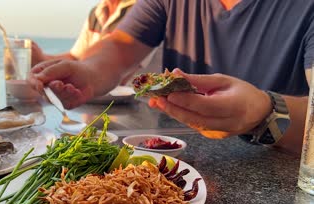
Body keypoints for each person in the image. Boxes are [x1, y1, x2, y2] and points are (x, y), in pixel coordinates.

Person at [30, 0, 313, 154]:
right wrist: (89, 71)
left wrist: (265, 112)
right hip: (177, 166)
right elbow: (119, 46)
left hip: (281, 181)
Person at [30, 0, 162, 85]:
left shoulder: (146, 10)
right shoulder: (96, 11)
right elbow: (76, 57)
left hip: (137, 115)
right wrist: (41, 59)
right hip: (94, 107)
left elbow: (121, 75)